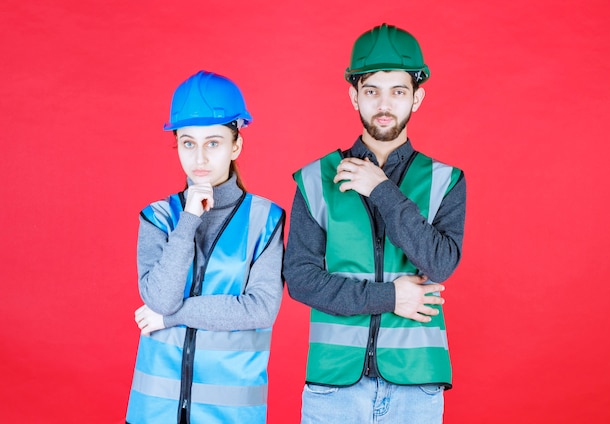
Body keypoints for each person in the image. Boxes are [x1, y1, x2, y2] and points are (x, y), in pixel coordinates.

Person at [283, 23, 466, 423]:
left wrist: (381, 189)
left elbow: (441, 264)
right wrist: (390, 297)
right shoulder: (315, 179)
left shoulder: (445, 180)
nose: (384, 104)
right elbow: (299, 279)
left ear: (417, 98)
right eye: (372, 91)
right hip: (332, 386)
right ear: (354, 96)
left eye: (398, 91)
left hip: (416, 386)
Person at [125, 71, 285, 424]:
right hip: (153, 411)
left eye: (213, 142)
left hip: (230, 413)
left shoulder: (266, 220)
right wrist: (188, 220)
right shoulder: (158, 217)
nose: (199, 157)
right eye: (187, 143)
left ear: (236, 145)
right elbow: (160, 298)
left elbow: (258, 310)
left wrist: (172, 318)